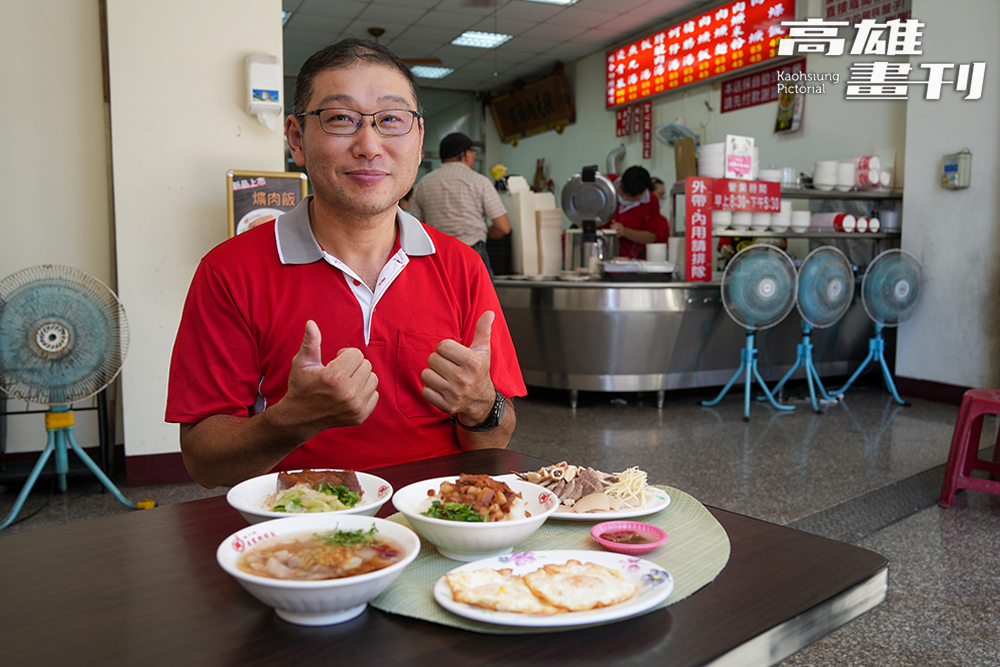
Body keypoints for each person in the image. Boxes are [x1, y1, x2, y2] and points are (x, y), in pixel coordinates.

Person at [165, 38, 525, 488]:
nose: (369, 145)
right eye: (341, 119)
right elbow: (203, 463)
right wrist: (291, 420)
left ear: (417, 140)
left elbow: (497, 438)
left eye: (392, 120)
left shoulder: (462, 266)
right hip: (301, 532)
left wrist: (480, 404)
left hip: (440, 522)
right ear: (296, 139)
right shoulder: (229, 272)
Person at [409, 132, 511, 277]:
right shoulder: (479, 182)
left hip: (437, 258)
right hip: (473, 254)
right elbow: (504, 227)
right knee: (479, 300)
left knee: (441, 300)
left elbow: (415, 228)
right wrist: (480, 233)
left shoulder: (423, 184)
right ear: (467, 154)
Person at [603, 166, 670, 260]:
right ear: (621, 179)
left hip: (626, 260)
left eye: (630, 197)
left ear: (641, 193)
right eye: (622, 193)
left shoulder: (651, 202)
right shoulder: (606, 182)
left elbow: (650, 237)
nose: (625, 198)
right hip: (595, 251)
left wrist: (625, 231)